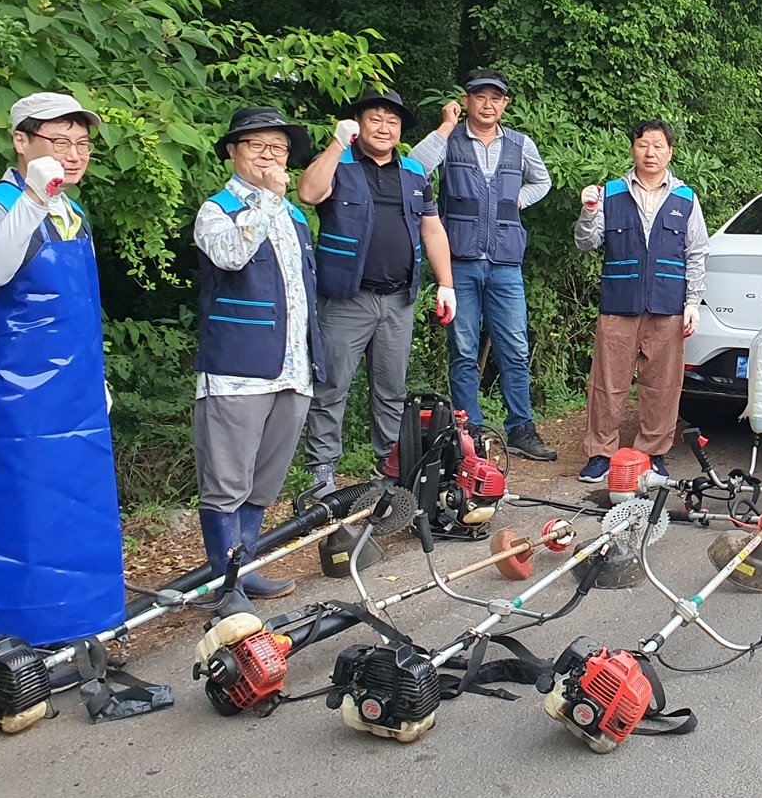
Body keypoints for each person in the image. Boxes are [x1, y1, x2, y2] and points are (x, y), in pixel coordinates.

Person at [0, 92, 127, 645]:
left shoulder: (72, 213)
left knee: (82, 512)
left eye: (82, 144)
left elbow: (78, 308)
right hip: (17, 396)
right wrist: (31, 197)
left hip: (74, 391)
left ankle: (87, 628)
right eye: (58, 142)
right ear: (21, 142)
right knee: (25, 513)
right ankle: (18, 640)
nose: (73, 155)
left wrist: (95, 377)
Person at [192, 107, 324, 605]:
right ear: (232, 152)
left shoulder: (294, 215)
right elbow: (229, 256)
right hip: (236, 372)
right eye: (257, 146)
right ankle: (223, 586)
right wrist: (267, 200)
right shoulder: (216, 209)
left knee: (263, 482)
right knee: (226, 482)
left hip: (292, 370)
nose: (271, 156)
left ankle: (244, 569)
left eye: (279, 148)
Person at [296, 89, 456, 496]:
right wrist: (336, 143)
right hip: (346, 299)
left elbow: (432, 229)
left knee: (391, 390)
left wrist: (447, 284)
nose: (384, 128)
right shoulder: (340, 165)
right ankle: (322, 473)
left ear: (400, 130)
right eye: (375, 119)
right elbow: (308, 194)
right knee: (332, 387)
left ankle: (390, 467)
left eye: (392, 122)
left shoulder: (414, 174)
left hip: (399, 299)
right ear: (358, 123)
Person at [410, 68, 556, 462]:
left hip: (506, 262)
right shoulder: (450, 140)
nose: (488, 104)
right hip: (457, 262)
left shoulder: (521, 144)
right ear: (467, 100)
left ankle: (521, 428)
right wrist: (445, 125)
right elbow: (414, 168)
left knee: (514, 347)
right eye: (480, 97)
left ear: (505, 104)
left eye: (496, 98)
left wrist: (517, 201)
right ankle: (468, 429)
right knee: (463, 347)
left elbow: (542, 182)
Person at [574, 120, 709, 482]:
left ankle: (653, 452)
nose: (651, 153)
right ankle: (601, 453)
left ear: (670, 153)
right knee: (607, 382)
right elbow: (587, 244)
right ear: (633, 149)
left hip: (668, 306)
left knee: (663, 385)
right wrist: (588, 212)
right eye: (644, 145)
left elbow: (697, 253)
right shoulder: (611, 193)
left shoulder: (686, 199)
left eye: (658, 146)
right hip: (619, 304)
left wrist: (693, 302)